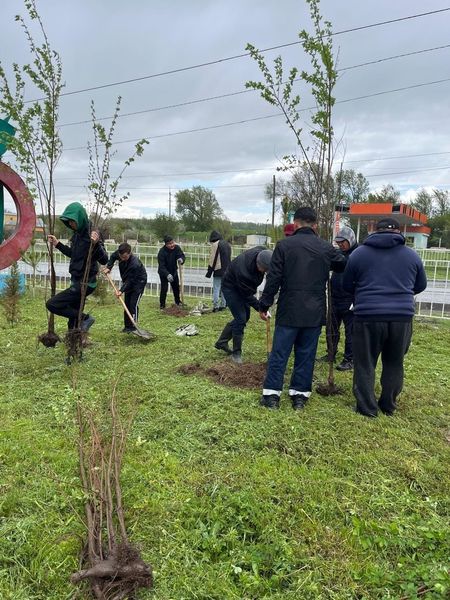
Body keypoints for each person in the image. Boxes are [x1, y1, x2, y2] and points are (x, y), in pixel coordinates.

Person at [259, 207, 346, 410]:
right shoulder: (324, 248)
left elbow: (274, 278)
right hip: (314, 313)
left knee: (279, 354)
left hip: (289, 310)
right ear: (315, 225)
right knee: (306, 354)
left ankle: (271, 396)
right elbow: (341, 262)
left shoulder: (284, 246)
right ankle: (299, 396)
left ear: (295, 223)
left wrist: (265, 304)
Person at [343, 217, 427, 417]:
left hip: (367, 315)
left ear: (374, 231)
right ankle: (388, 404)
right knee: (394, 361)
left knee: (365, 362)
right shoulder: (411, 256)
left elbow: (346, 285)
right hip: (401, 317)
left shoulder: (358, 254)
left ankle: (367, 408)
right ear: (398, 232)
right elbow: (420, 285)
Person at [47, 202, 108, 331]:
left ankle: (86, 318)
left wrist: (96, 244)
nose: (70, 224)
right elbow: (74, 254)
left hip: (86, 283)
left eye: (72, 221)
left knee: (53, 304)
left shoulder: (93, 234)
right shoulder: (77, 235)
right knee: (73, 318)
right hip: (76, 281)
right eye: (68, 222)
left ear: (79, 218)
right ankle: (74, 344)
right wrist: (58, 244)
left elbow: (104, 259)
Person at [214, 247, 273, 364]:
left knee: (245, 317)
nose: (265, 272)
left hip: (242, 287)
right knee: (240, 318)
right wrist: (260, 308)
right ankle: (236, 354)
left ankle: (221, 342)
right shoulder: (244, 272)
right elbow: (246, 294)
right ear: (258, 264)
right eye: (264, 270)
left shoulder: (263, 253)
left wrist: (263, 306)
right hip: (231, 287)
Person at [317, 226, 358, 371]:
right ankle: (331, 354)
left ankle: (350, 359)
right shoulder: (338, 255)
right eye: (338, 242)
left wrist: (357, 299)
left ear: (351, 240)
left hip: (350, 300)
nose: (340, 244)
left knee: (351, 331)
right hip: (335, 297)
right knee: (331, 327)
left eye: (343, 242)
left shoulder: (358, 255)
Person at [103, 242, 147, 333]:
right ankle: (127, 327)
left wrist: (121, 290)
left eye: (125, 257)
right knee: (126, 304)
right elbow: (113, 257)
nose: (123, 259)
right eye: (121, 257)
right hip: (128, 281)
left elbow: (131, 280)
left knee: (133, 304)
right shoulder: (119, 254)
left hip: (138, 282)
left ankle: (134, 326)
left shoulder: (134, 264)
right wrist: (109, 267)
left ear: (130, 253)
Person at [205, 230, 232, 311]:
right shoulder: (227, 244)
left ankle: (216, 306)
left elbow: (212, 259)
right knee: (224, 288)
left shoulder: (215, 244)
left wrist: (209, 271)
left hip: (218, 269)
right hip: (227, 269)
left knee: (216, 288)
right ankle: (223, 304)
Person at [157, 235, 185, 309]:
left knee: (176, 287)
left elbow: (181, 255)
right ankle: (162, 305)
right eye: (169, 244)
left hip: (173, 271)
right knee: (164, 288)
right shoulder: (161, 252)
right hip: (164, 273)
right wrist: (167, 274)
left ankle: (178, 302)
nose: (172, 245)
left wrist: (181, 259)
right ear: (166, 244)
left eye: (172, 242)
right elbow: (161, 266)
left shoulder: (177, 248)